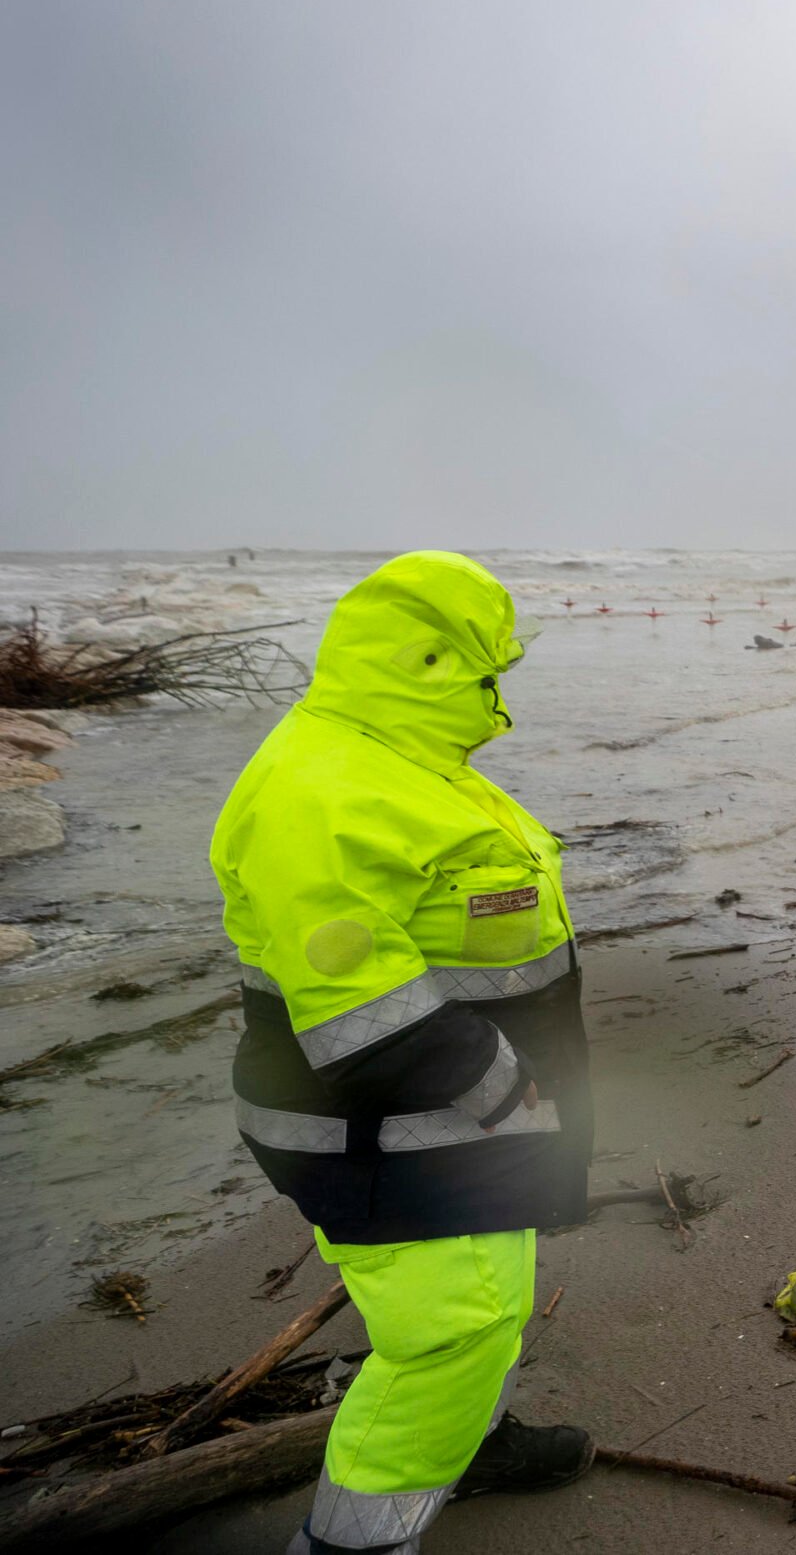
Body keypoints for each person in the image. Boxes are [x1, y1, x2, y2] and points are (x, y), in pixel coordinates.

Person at [211, 551, 596, 1554]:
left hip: (455, 1118)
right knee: (452, 1329)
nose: (496, 694)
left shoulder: (398, 760)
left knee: (480, 1302)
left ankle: (465, 1443)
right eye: (483, 672)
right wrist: (515, 1098)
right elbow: (362, 1010)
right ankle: (354, 1542)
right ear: (427, 663)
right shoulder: (320, 789)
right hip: (387, 1128)